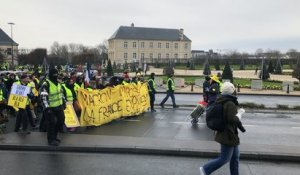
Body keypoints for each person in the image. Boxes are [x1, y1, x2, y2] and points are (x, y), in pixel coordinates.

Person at [199, 82, 246, 175]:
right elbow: (232, 120)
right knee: (224, 159)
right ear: (232, 91)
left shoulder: (222, 99)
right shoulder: (230, 103)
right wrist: (240, 114)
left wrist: (241, 127)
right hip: (227, 135)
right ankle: (205, 169)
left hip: (230, 134)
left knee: (235, 157)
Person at [40, 68, 66, 146]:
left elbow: (61, 94)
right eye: (54, 74)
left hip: (59, 106)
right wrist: (47, 108)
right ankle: (51, 139)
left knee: (61, 120)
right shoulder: (46, 84)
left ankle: (55, 136)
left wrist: (64, 102)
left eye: (56, 74)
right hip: (50, 108)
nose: (55, 76)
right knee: (51, 123)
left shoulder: (58, 83)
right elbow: (43, 97)